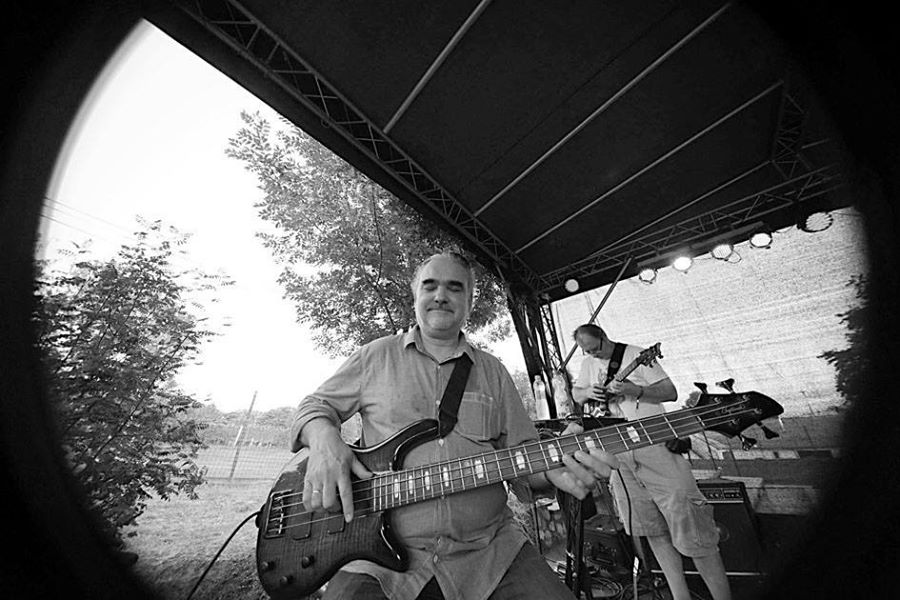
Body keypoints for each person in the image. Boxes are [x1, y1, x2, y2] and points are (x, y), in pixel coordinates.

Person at [291, 252, 619, 600]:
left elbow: (523, 459)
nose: (440, 295)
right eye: (430, 286)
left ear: (469, 302)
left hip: (491, 552)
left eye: (454, 287)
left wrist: (553, 467)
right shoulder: (374, 356)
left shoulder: (493, 372)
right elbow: (314, 406)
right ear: (415, 296)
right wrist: (324, 441)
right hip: (377, 559)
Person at [570, 324, 732, 600]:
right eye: (587, 352)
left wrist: (635, 390)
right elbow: (577, 394)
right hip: (618, 453)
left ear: (604, 337)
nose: (592, 355)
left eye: (595, 349)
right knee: (652, 530)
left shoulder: (636, 355)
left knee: (693, 528)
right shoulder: (588, 364)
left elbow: (670, 392)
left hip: (654, 444)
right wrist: (589, 393)